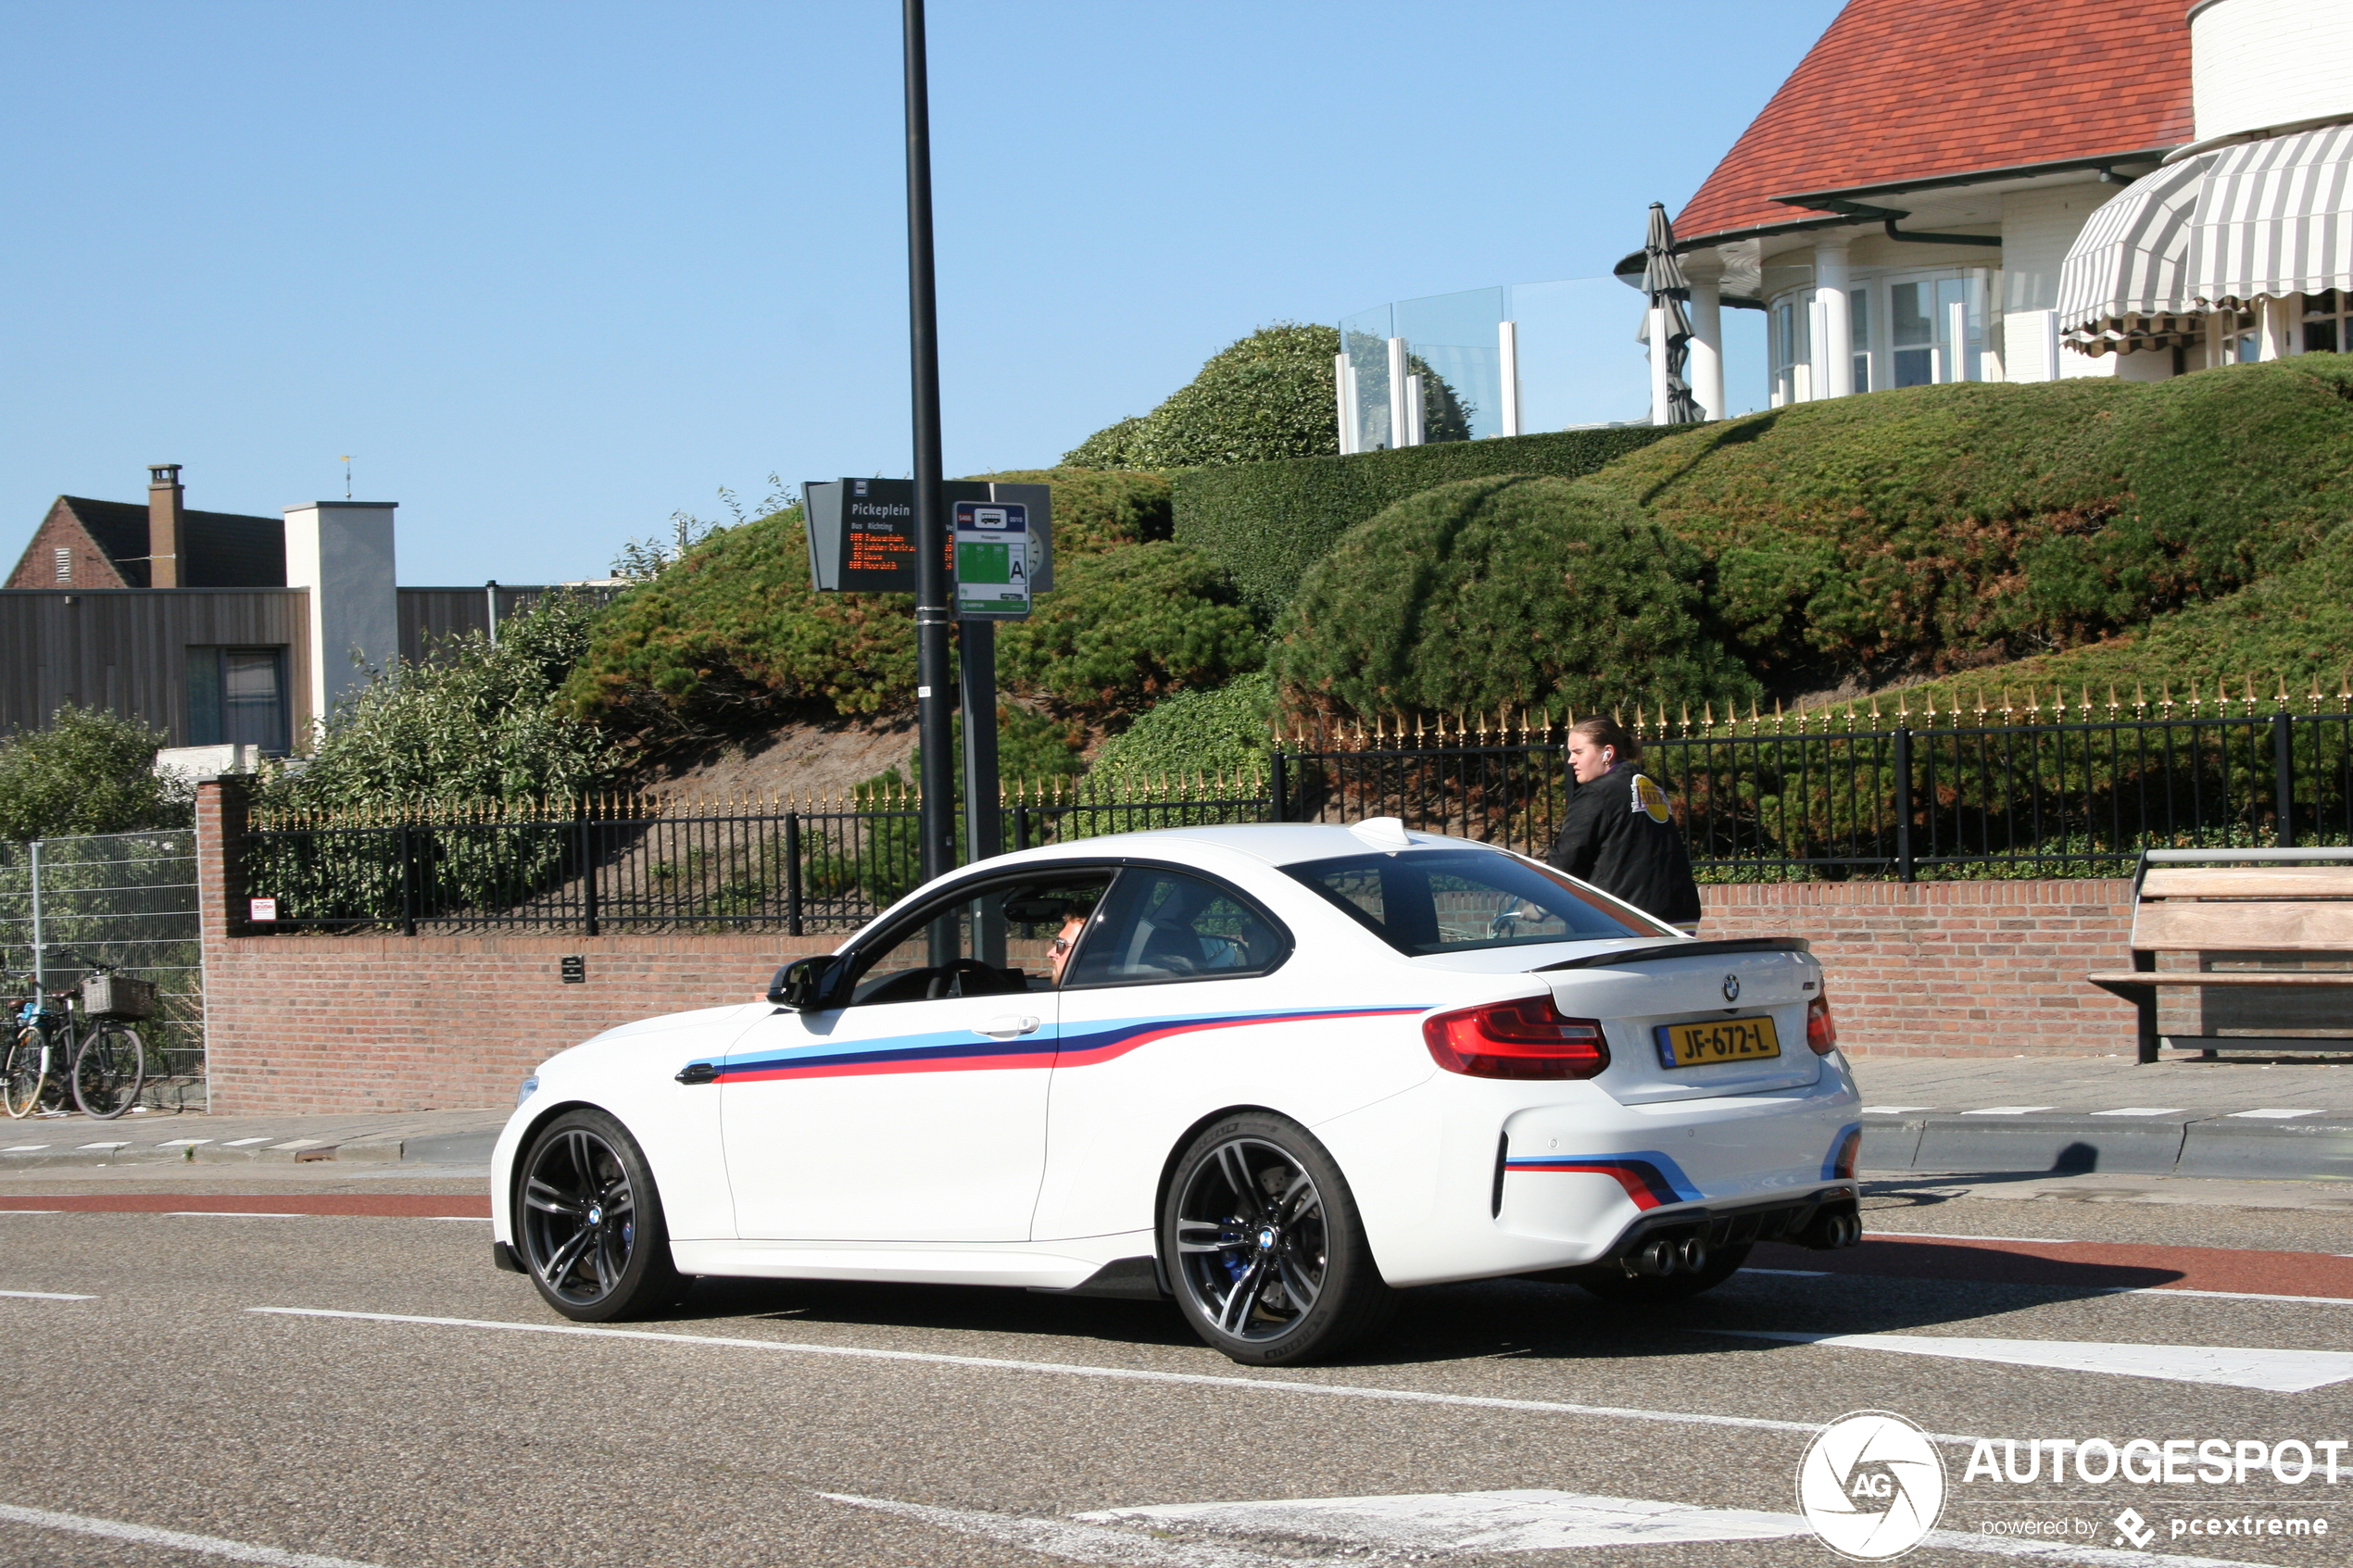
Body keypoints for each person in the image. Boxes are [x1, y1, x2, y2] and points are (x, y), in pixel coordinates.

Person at [1545, 716, 1702, 933]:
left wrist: (1540, 901)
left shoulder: (1598, 792)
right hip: (1679, 912)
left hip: (1625, 915)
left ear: (1607, 753)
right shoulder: (1649, 785)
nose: (1571, 760)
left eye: (1578, 752)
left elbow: (1569, 855)